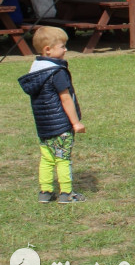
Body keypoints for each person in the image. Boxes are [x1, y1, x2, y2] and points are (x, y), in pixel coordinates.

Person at [17, 26, 86, 203]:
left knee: (47, 158)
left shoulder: (35, 69)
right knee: (63, 158)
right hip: (61, 125)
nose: (66, 50)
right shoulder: (57, 72)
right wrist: (76, 123)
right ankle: (67, 193)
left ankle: (45, 192)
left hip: (44, 126)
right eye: (62, 46)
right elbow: (66, 100)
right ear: (48, 50)